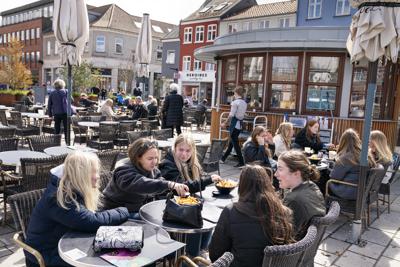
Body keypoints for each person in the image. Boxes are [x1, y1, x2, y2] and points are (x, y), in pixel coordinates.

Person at [25, 152, 129, 267]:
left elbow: (89, 216)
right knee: (109, 259)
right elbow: (91, 221)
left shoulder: (71, 187)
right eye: (94, 172)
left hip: (68, 240)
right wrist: (124, 211)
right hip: (48, 253)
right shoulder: (58, 198)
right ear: (80, 174)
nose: (98, 176)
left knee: (124, 250)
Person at [209, 165, 295, 267]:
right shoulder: (283, 211)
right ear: (267, 184)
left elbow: (215, 255)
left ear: (242, 185)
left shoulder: (231, 211)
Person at [159, 134, 221, 257]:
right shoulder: (168, 164)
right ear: (175, 148)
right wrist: (207, 180)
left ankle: (200, 251)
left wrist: (205, 178)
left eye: (188, 151)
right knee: (196, 222)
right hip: (170, 208)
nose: (184, 154)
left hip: (184, 206)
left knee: (205, 218)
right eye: (181, 150)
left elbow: (198, 178)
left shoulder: (191, 164)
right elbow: (184, 187)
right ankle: (192, 256)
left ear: (193, 151)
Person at [102, 138, 188, 218]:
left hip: (139, 209)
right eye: (150, 158)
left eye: (156, 158)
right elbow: (141, 184)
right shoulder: (123, 170)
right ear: (138, 158)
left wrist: (180, 188)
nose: (154, 162)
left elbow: (160, 183)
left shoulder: (153, 170)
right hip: (116, 212)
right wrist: (169, 184)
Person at [275, 150, 326, 239]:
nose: (276, 174)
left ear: (296, 173)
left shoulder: (294, 199)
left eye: (280, 169)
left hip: (289, 249)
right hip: (304, 246)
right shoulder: (311, 186)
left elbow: (281, 235)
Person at [328, 129, 377, 200]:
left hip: (348, 191)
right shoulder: (366, 155)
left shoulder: (346, 158)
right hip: (362, 191)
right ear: (357, 140)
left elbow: (334, 177)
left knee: (325, 180)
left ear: (343, 141)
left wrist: (331, 169)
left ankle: (326, 206)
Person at [220, 86, 247, 167]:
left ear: (236, 93)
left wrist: (224, 123)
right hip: (239, 124)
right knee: (232, 142)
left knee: (235, 144)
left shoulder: (235, 102)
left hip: (234, 124)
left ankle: (241, 162)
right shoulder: (244, 103)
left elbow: (231, 115)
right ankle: (223, 158)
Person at [47, 79, 71, 144]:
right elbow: (71, 100)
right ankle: (67, 142)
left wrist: (50, 115)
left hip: (56, 113)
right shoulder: (66, 91)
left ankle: (56, 143)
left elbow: (49, 105)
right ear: (63, 85)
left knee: (57, 128)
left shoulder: (52, 93)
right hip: (65, 112)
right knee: (67, 128)